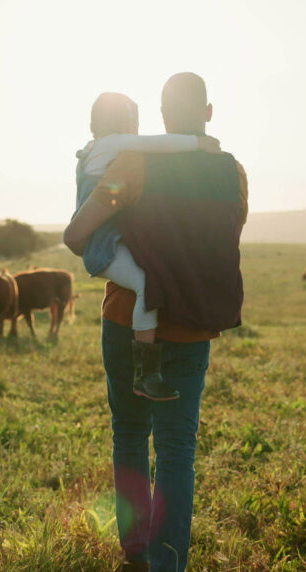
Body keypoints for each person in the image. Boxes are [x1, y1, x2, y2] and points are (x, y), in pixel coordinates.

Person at [64, 72, 248, 572]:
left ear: (160, 119)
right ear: (207, 113)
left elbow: (78, 235)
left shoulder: (134, 162)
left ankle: (135, 558)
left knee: (128, 435)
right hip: (192, 326)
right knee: (176, 453)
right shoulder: (232, 172)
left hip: (126, 320)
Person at [75, 91, 222, 401]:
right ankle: (147, 373)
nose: (138, 129)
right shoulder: (113, 145)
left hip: (107, 241)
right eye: (135, 121)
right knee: (147, 283)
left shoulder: (94, 149)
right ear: (123, 123)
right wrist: (198, 144)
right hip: (105, 245)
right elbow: (158, 144)